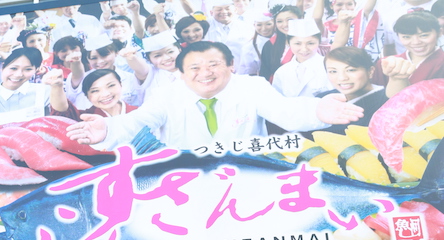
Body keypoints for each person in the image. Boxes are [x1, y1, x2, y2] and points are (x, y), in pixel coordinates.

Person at [67, 41, 364, 151]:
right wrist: (109, 129)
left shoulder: (252, 86)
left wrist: (316, 111)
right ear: (181, 73)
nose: (205, 73)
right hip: (186, 178)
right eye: (194, 68)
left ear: (231, 65)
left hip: (246, 173)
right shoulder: (166, 94)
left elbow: (284, 111)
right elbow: (140, 122)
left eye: (214, 64)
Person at [319, 46, 387, 133]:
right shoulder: (322, 98)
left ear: (370, 71)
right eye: (333, 71)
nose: (342, 78)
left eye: (351, 70)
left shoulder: (386, 102)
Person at [375, 10, 444, 96]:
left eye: (424, 35)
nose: (416, 42)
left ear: (439, 32)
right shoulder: (386, 63)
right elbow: (376, 98)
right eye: (406, 37)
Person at [272, 18, 330, 97]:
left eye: (310, 43)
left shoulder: (329, 67)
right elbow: (277, 99)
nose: (304, 49)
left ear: (319, 43)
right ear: (289, 43)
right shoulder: (282, 72)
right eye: (297, 44)